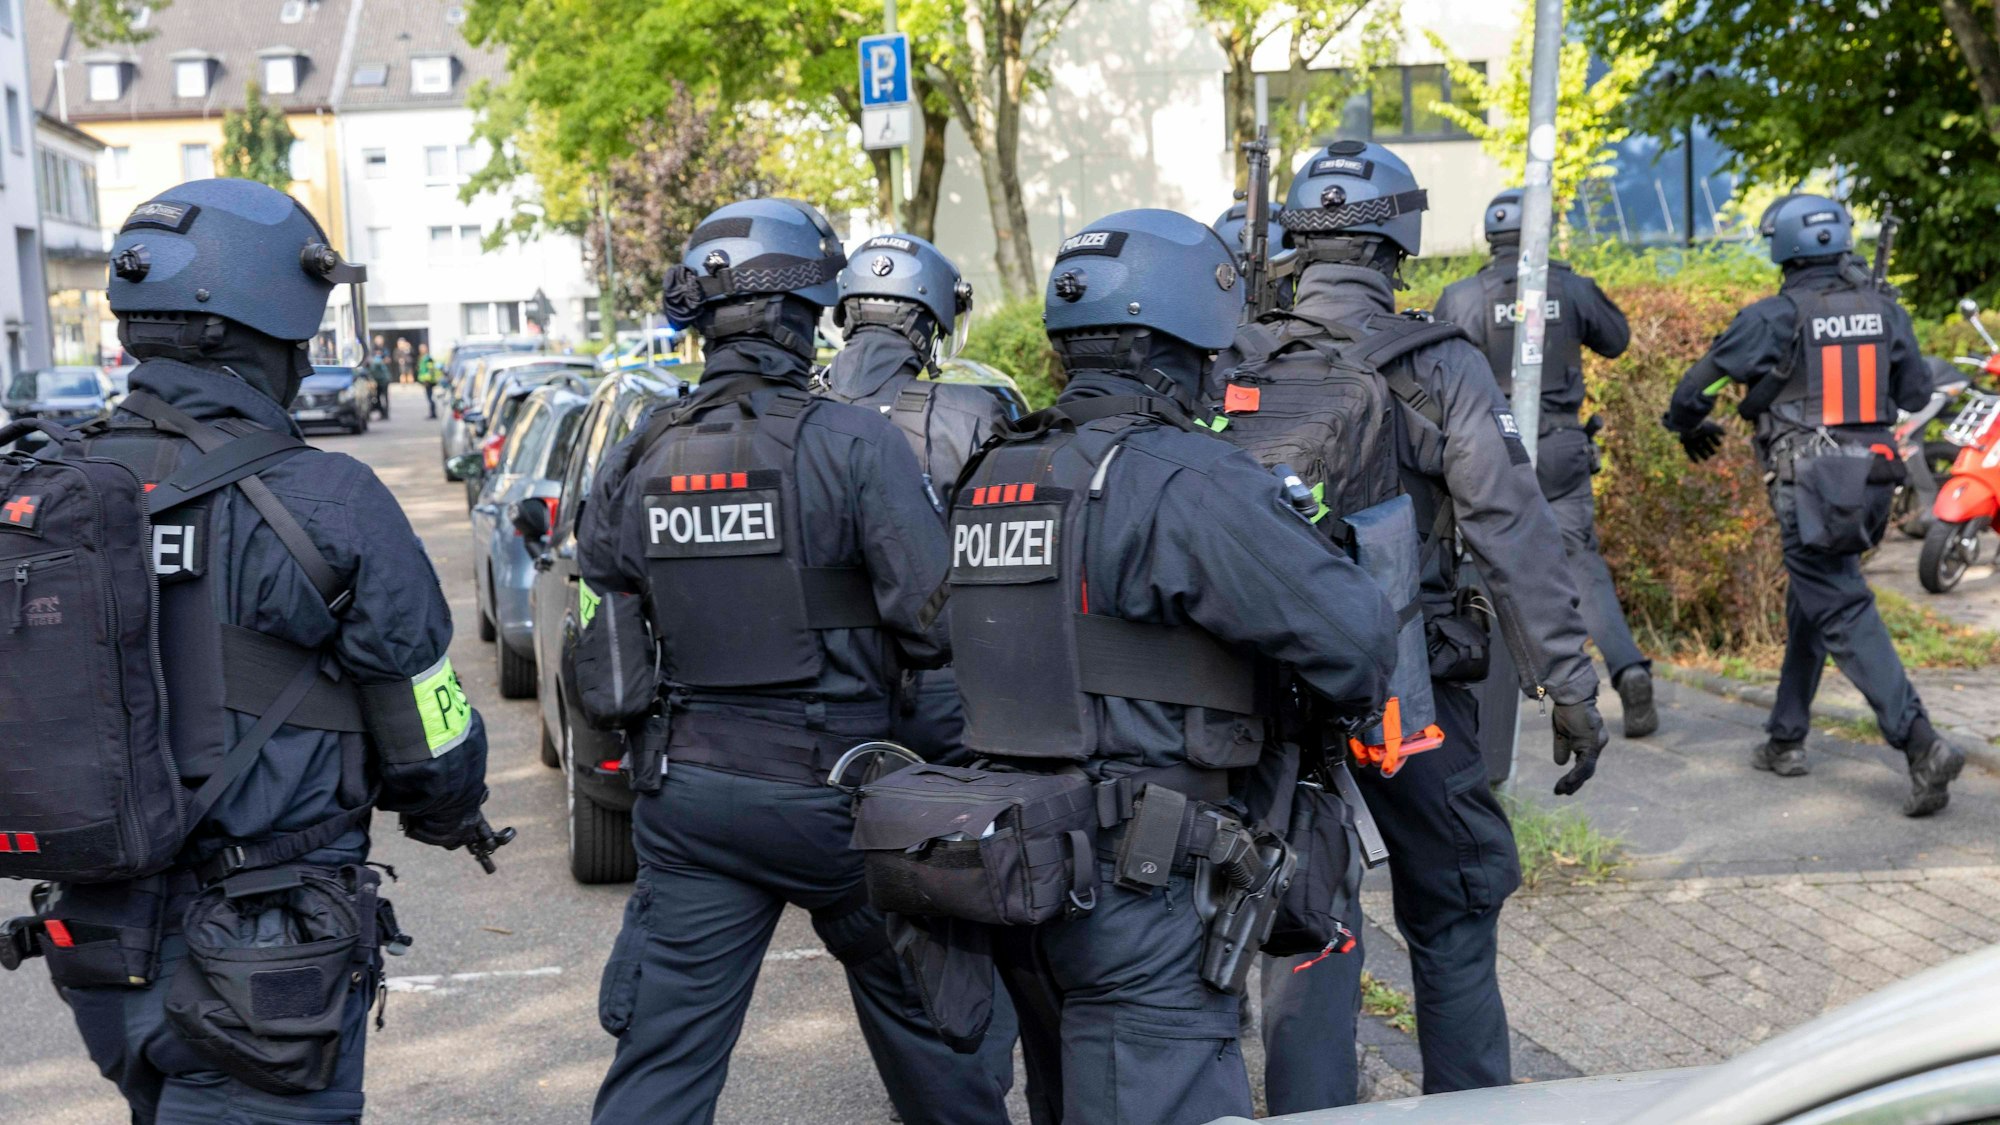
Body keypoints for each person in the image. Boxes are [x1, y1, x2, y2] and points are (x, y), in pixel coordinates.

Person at [7, 178, 504, 1124]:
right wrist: (453, 811)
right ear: (267, 322)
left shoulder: (56, 487)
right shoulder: (326, 499)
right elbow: (429, 725)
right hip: (268, 965)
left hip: (100, 948)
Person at [931, 207, 1400, 1125]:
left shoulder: (997, 469)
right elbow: (1359, 641)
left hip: (1020, 868)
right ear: (1188, 338)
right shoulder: (1191, 478)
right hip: (1142, 886)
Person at [578, 198, 1015, 1125]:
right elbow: (936, 623)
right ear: (800, 315)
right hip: (842, 799)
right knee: (937, 1045)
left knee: (661, 1070)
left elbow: (606, 640)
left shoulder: (637, 452)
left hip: (690, 800)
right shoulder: (852, 443)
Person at [1212, 142, 1609, 1111]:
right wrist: (1569, 685)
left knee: (1297, 910)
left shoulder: (1229, 361)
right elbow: (1511, 533)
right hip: (1404, 691)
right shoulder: (1435, 363)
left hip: (1255, 691)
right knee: (1456, 896)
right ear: (1400, 235)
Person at [1663, 193, 1963, 815]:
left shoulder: (1774, 316)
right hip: (1874, 483)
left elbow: (1700, 386)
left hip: (1808, 484)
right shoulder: (1885, 310)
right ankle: (1786, 737)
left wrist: (1688, 423)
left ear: (1783, 245)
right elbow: (1913, 392)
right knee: (1818, 598)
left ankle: (1921, 743)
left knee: (1842, 608)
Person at [1435, 188, 1657, 742]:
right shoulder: (1570, 287)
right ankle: (1627, 669)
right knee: (1581, 564)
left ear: (1490, 239)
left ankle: (1504, 711)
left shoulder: (1463, 296)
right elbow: (1618, 339)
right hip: (1560, 446)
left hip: (1491, 451)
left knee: (1494, 562)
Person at [818, 231, 1008, 761]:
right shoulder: (968, 412)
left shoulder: (795, 410)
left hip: (820, 691)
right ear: (929, 324)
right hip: (941, 690)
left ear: (848, 314)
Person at [365, 335, 391, 421]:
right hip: (377, 380)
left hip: (384, 379)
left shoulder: (384, 350)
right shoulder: (372, 350)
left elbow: (387, 360)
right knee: (377, 397)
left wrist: (380, 361)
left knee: (385, 397)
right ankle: (381, 412)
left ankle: (386, 413)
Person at [416, 343, 440, 419]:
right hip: (426, 381)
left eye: (422, 348)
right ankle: (432, 413)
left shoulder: (428, 358)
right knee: (429, 397)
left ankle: (433, 413)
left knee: (430, 397)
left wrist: (427, 380)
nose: (421, 350)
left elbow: (430, 370)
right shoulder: (423, 358)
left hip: (429, 382)